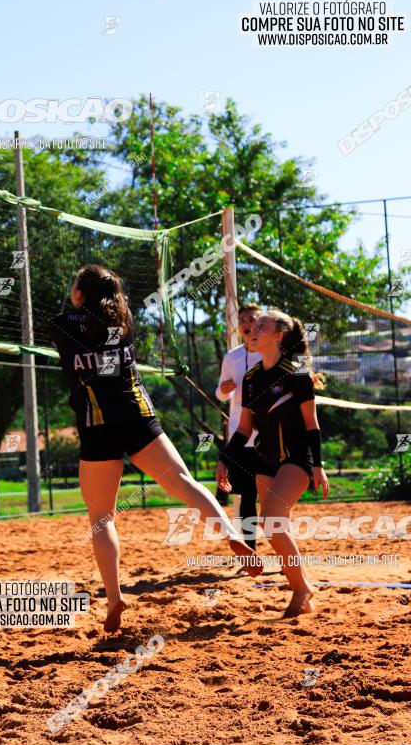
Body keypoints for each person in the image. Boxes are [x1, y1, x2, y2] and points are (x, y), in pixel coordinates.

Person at [50, 264, 259, 632]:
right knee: (183, 482)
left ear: (80, 293)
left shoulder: (61, 325)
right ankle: (230, 534)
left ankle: (114, 598)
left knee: (101, 517)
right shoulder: (125, 324)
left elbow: (72, 327)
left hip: (96, 424)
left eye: (74, 284)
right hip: (137, 415)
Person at [216, 308, 330, 618]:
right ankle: (303, 590)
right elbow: (244, 428)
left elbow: (312, 424)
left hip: (296, 458)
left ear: (278, 335)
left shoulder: (297, 372)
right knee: (274, 527)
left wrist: (318, 465)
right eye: (251, 326)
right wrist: (225, 458)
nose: (252, 329)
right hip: (265, 459)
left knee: (271, 521)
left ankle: (301, 590)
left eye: (261, 325)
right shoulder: (251, 378)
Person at [215, 304, 263, 549]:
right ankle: (250, 549)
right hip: (240, 435)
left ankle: (285, 553)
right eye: (242, 319)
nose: (246, 323)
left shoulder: (269, 354)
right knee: (247, 495)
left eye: (251, 318)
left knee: (273, 498)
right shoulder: (232, 356)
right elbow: (220, 393)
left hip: (268, 437)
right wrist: (223, 390)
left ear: (260, 322)